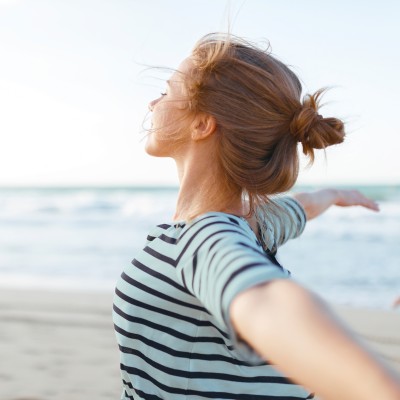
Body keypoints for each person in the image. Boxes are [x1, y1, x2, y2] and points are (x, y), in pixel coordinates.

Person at [113, 33, 400, 399]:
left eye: (166, 91)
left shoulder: (205, 237)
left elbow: (266, 303)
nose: (153, 102)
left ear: (202, 124)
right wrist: (334, 195)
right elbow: (300, 207)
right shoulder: (252, 224)